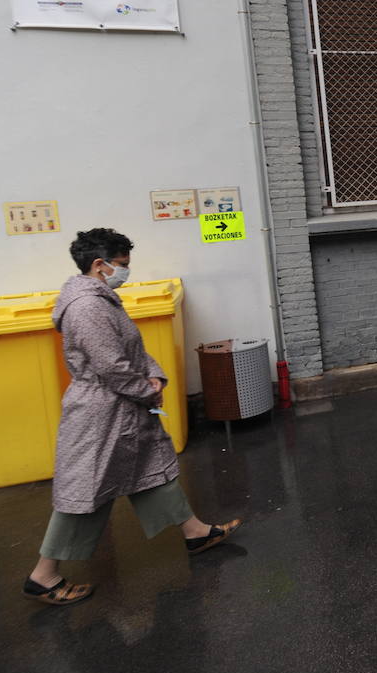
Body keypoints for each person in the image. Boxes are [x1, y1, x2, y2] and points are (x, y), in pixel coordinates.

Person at [23, 228, 241, 606]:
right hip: (101, 414)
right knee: (87, 493)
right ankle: (43, 576)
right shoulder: (88, 308)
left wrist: (152, 374)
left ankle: (196, 533)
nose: (126, 272)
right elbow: (112, 366)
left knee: (149, 471)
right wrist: (147, 389)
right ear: (98, 265)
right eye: (121, 265)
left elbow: (131, 349)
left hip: (119, 410)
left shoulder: (101, 299)